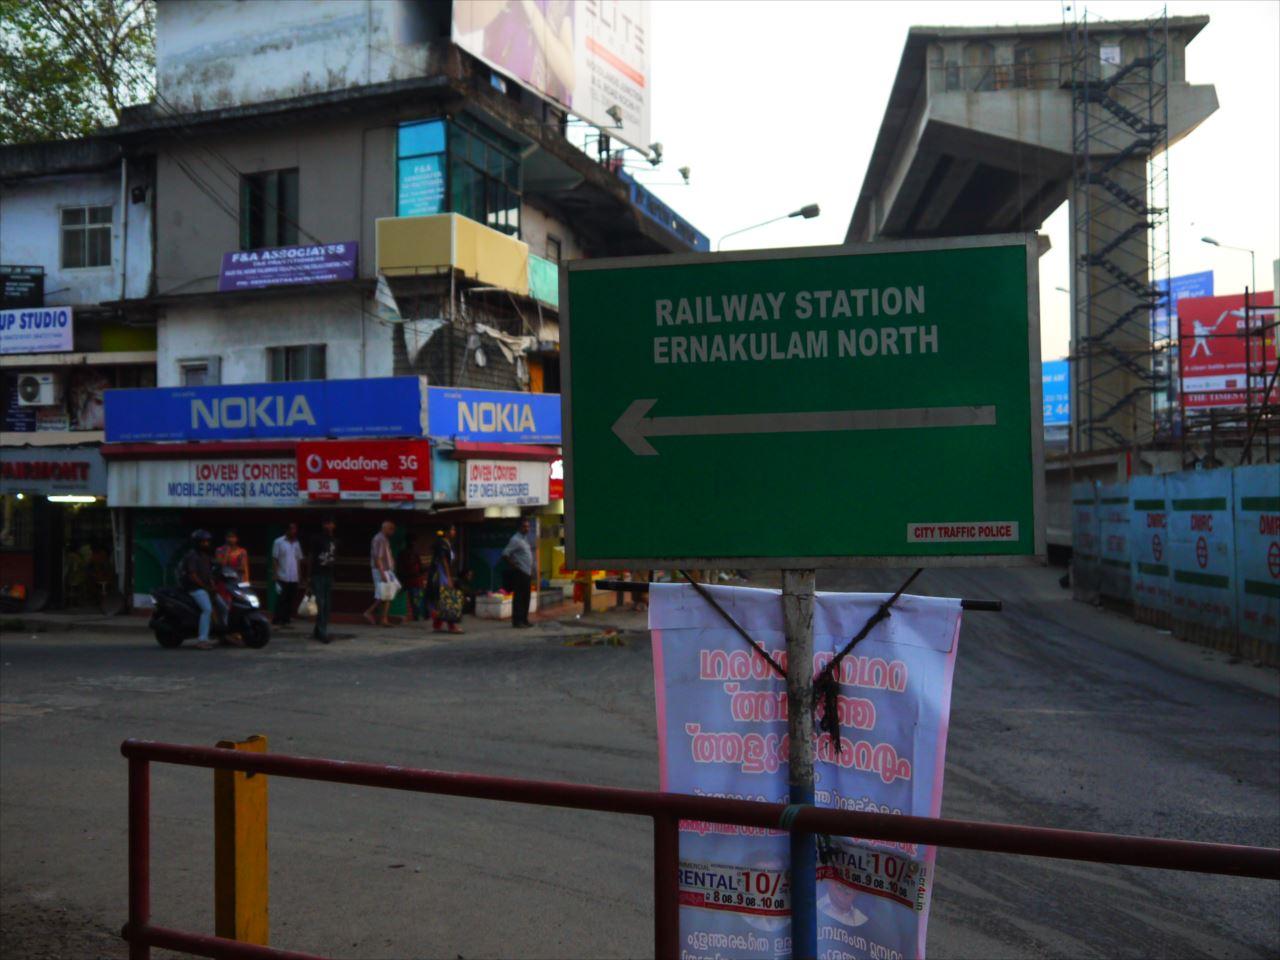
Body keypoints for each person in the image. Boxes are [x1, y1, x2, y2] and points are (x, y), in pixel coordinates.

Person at [179, 529, 219, 650]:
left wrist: (212, 585)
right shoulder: (192, 556)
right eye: (203, 542)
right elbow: (193, 575)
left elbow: (209, 573)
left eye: (207, 541)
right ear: (197, 543)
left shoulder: (206, 556)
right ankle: (202, 640)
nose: (206, 544)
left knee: (221, 604)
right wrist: (205, 587)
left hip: (205, 587)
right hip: (195, 588)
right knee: (207, 609)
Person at [306, 517, 338, 643]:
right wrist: (309, 576)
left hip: (329, 574)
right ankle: (322, 631)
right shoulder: (316, 539)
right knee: (321, 603)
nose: (329, 526)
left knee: (327, 604)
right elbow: (310, 557)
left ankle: (319, 630)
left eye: (331, 523)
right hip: (317, 574)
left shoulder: (334, 540)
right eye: (327, 523)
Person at [428, 525, 463, 634]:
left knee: (442, 599)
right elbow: (444, 561)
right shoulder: (442, 544)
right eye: (452, 529)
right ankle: (451, 626)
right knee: (447, 599)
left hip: (444, 573)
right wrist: (448, 577)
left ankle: (437, 625)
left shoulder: (448, 544)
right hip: (440, 574)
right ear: (447, 531)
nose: (454, 532)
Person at [501, 518, 534, 628]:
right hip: (520, 572)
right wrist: (514, 565)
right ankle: (517, 621)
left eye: (528, 526)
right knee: (519, 597)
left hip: (527, 572)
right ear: (519, 527)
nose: (527, 529)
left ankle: (524, 619)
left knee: (526, 597)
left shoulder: (524, 539)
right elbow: (505, 554)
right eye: (525, 526)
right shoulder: (515, 539)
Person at [364, 520, 396, 627]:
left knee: (387, 594)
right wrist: (382, 572)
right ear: (384, 528)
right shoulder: (380, 539)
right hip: (381, 570)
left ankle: (383, 618)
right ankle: (370, 612)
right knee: (384, 594)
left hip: (386, 570)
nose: (392, 531)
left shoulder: (384, 539)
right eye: (390, 529)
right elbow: (378, 557)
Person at [271, 523, 303, 627]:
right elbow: (275, 559)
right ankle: (277, 620)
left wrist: (299, 574)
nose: (294, 531)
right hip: (282, 575)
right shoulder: (278, 542)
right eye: (292, 529)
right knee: (281, 599)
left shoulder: (297, 543)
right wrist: (275, 574)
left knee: (290, 599)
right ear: (287, 530)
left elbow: (298, 559)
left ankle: (286, 620)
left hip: (293, 576)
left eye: (295, 529)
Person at [400, 537, 428, 622]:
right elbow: (421, 568)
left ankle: (417, 616)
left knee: (414, 599)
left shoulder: (402, 554)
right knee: (418, 599)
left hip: (409, 581)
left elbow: (400, 569)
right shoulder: (415, 554)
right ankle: (419, 616)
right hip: (416, 581)